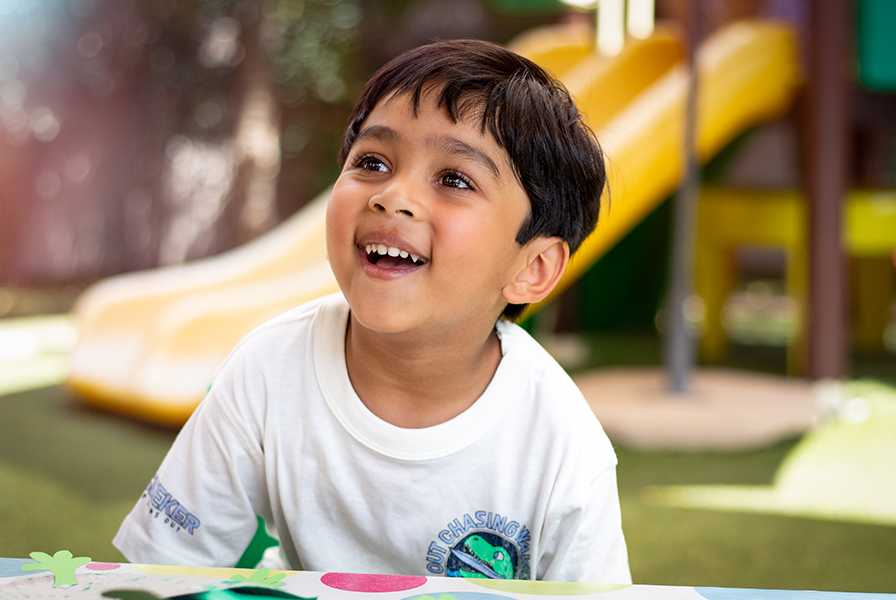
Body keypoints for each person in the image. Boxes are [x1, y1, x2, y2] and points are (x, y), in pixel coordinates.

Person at [113, 38, 631, 584]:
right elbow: (160, 572)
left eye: (455, 179)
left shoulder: (562, 442)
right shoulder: (268, 368)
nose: (393, 195)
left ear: (533, 267)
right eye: (373, 162)